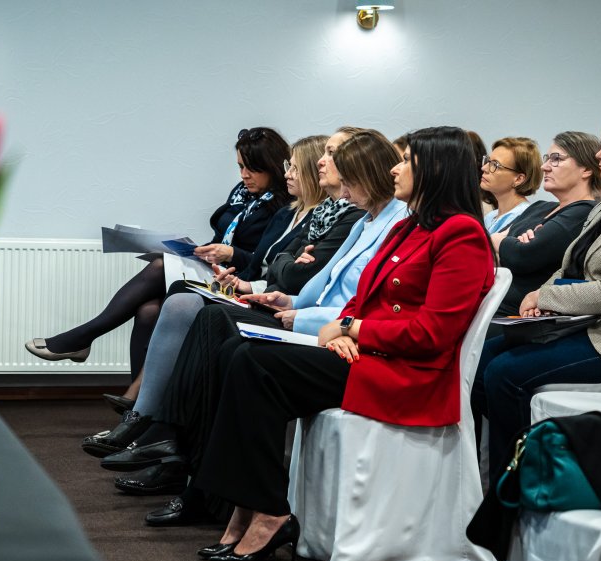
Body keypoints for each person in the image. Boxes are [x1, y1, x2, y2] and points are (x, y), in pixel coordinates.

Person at [188, 125, 495, 561]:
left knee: (254, 362)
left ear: (436, 168)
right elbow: (361, 298)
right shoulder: (411, 226)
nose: (395, 167)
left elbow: (433, 334)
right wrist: (343, 327)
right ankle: (250, 504)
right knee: (238, 353)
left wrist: (354, 331)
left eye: (405, 160)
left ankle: (265, 509)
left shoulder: (460, 235)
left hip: (408, 376)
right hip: (369, 357)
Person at [103, 130, 409, 524]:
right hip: (305, 313)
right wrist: (288, 299)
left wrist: (299, 307)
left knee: (215, 325)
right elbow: (309, 276)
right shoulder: (364, 220)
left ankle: (174, 447)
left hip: (327, 329)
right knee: (202, 314)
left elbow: (323, 282)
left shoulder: (384, 221)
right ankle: (176, 449)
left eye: (335, 160)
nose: (323, 166)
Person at [80, 130, 366, 461]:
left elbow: (291, 273)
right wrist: (250, 278)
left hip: (297, 311)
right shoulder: (302, 214)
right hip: (272, 297)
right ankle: (152, 425)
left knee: (194, 309)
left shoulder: (341, 217)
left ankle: (153, 424)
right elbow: (275, 266)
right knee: (156, 306)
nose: (292, 172)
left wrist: (254, 274)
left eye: (296, 167)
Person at [471, 111, 601, 476]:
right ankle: (488, 477)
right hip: (579, 322)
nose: (600, 155)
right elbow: (571, 268)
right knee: (481, 360)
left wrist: (546, 298)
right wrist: (540, 294)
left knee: (504, 373)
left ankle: (520, 482)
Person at [24, 127, 291, 400]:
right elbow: (224, 237)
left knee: (160, 267)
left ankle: (84, 339)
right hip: (216, 272)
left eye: (252, 169)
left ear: (272, 167)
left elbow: (263, 261)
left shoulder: (285, 206)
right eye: (240, 167)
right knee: (148, 309)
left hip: (239, 283)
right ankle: (139, 405)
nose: (244, 175)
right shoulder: (243, 194)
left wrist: (231, 254)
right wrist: (206, 252)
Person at [486, 131, 601, 330]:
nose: (544, 167)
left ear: (586, 169)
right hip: (489, 302)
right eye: (547, 159)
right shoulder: (540, 207)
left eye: (556, 159)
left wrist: (502, 242)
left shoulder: (584, 212)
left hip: (515, 316)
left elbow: (523, 255)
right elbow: (486, 249)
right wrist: (509, 243)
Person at [481, 137, 542, 233]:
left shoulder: (524, 219)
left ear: (518, 179)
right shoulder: (490, 217)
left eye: (495, 165)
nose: (484, 168)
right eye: (488, 161)